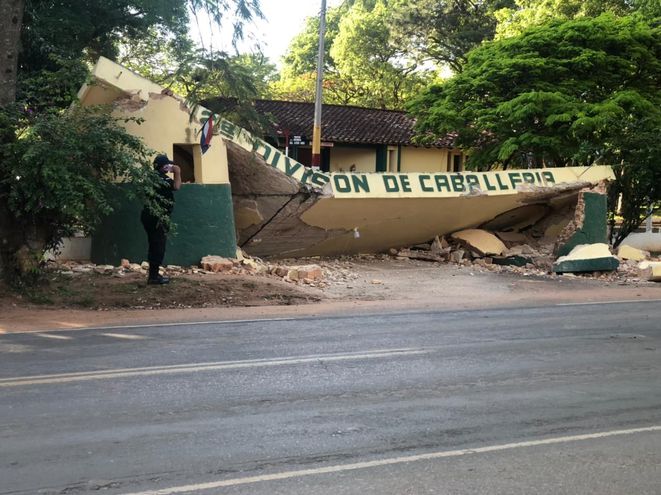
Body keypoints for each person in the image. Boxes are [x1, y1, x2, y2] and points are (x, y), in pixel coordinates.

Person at [141, 154, 181, 285]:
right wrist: (177, 172)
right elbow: (176, 186)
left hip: (150, 216)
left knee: (154, 245)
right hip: (157, 218)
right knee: (158, 246)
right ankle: (153, 277)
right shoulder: (162, 179)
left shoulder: (152, 178)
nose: (170, 166)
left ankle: (154, 275)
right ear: (164, 167)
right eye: (168, 165)